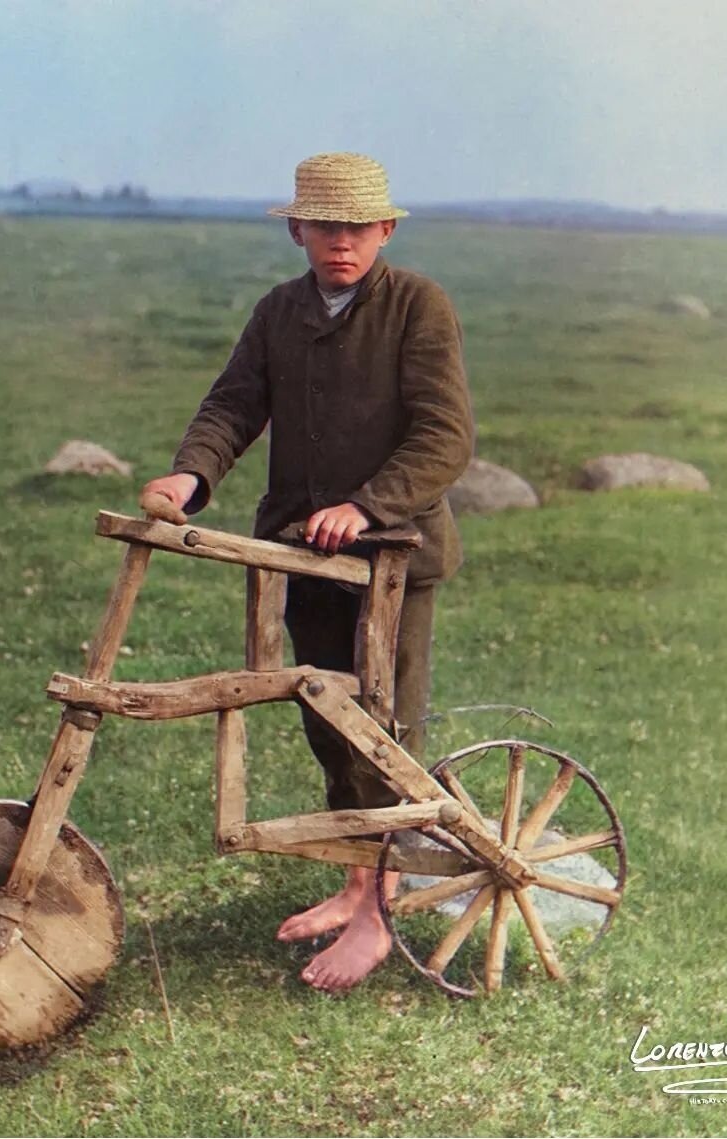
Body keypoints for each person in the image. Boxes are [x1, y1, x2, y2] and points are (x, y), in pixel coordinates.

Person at [141, 152, 473, 992]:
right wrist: (191, 473)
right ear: (298, 229)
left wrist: (366, 506)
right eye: (326, 226)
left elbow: (444, 435)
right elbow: (233, 404)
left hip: (392, 557)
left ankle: (378, 911)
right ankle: (360, 880)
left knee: (385, 731)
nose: (342, 242)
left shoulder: (417, 307)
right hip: (303, 551)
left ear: (386, 230)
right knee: (328, 722)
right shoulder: (280, 312)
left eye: (359, 227)